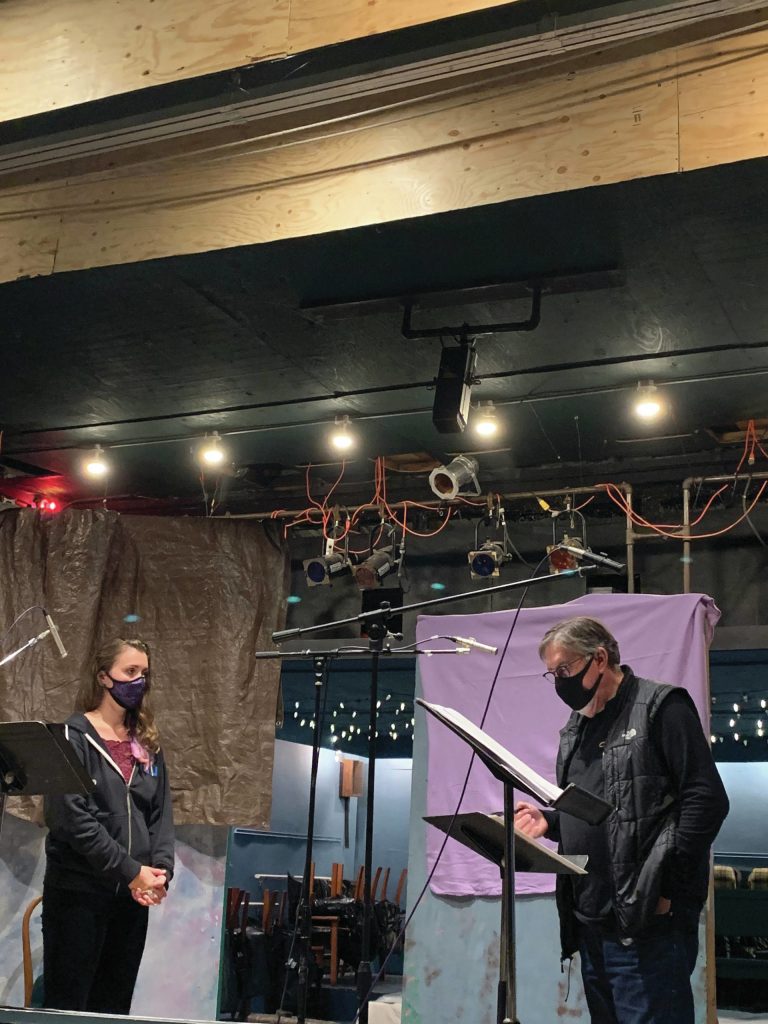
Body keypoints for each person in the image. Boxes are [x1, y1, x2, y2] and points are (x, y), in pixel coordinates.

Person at [514, 616, 728, 1024]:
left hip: (648, 922)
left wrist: (666, 889)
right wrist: (548, 821)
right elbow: (601, 810)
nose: (559, 682)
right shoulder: (576, 728)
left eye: (564, 670)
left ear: (599, 658)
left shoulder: (661, 706)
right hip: (591, 921)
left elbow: (707, 801)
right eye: (552, 674)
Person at [43, 637, 175, 1014]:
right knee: (70, 1005)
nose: (139, 681)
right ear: (104, 677)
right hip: (80, 893)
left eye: (144, 674)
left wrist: (159, 874)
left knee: (113, 1006)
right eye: (130, 672)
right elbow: (71, 820)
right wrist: (131, 870)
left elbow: (161, 816)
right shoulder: (73, 736)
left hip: (132, 900)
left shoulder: (148, 743)